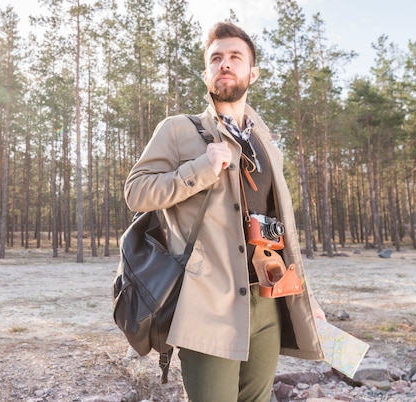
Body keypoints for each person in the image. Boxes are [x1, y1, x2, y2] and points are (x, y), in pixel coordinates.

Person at [124, 21, 326, 402]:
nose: (225, 64)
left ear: (254, 72)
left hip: (267, 301)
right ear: (206, 73)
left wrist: (306, 297)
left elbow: (280, 229)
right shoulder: (177, 130)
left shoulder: (266, 142)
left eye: (235, 57)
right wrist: (199, 169)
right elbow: (135, 193)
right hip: (208, 304)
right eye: (216, 58)